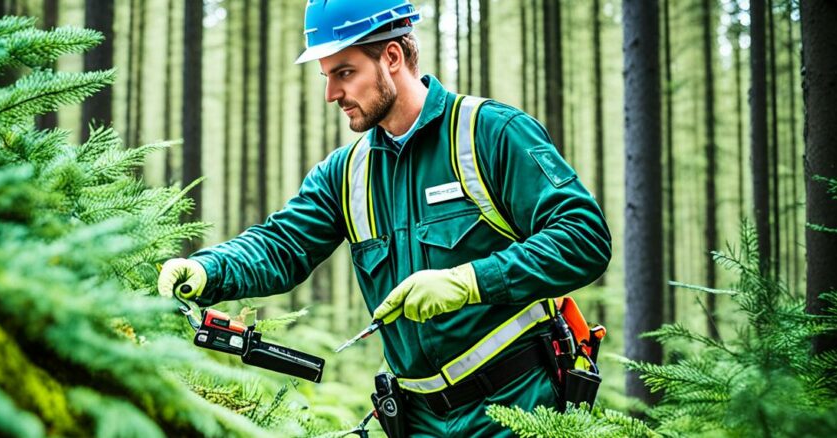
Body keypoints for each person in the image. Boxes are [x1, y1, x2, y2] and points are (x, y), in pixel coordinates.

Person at [158, 1, 611, 435]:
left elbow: (584, 238)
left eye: (345, 73)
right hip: (415, 422)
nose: (332, 94)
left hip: (520, 411)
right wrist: (205, 268)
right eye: (327, 77)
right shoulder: (346, 173)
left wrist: (469, 281)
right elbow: (282, 245)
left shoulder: (490, 133)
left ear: (392, 56)